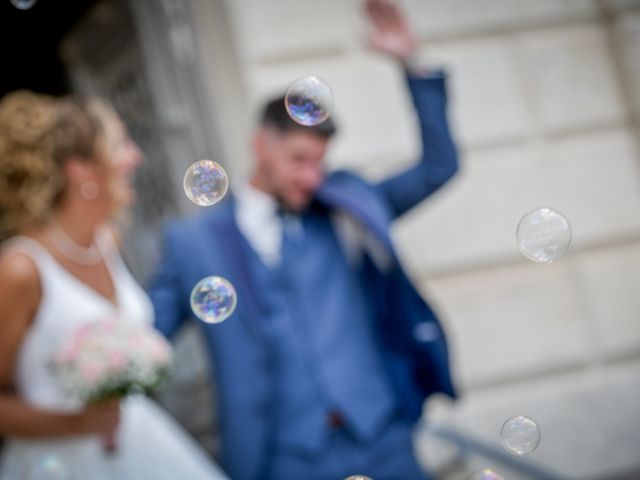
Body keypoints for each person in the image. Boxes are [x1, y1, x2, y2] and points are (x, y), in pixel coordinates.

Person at [149, 0, 459, 479]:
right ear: (260, 146)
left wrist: (411, 63)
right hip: (282, 459)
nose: (313, 177)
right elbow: (144, 334)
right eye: (299, 160)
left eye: (320, 161)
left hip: (384, 437)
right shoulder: (194, 244)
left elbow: (439, 167)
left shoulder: (347, 206)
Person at [0, 91, 228, 479]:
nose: (135, 156)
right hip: (58, 466)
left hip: (137, 443)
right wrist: (79, 425)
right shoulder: (21, 269)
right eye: (119, 143)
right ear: (81, 169)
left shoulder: (107, 241)